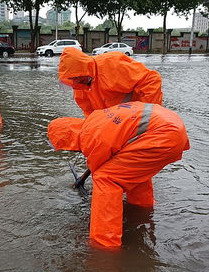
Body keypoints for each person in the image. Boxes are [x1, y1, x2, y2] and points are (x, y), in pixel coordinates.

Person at [48, 101, 190, 248]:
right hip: (173, 127)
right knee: (129, 169)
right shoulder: (94, 121)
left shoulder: (89, 136)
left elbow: (98, 166)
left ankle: (104, 242)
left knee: (106, 178)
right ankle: (142, 208)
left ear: (67, 141)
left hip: (161, 135)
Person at [59, 47, 164, 117]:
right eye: (71, 80)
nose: (74, 83)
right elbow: (90, 114)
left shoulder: (112, 64)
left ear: (82, 70)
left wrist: (146, 115)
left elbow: (151, 80)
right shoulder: (80, 87)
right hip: (116, 121)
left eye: (75, 77)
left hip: (136, 115)